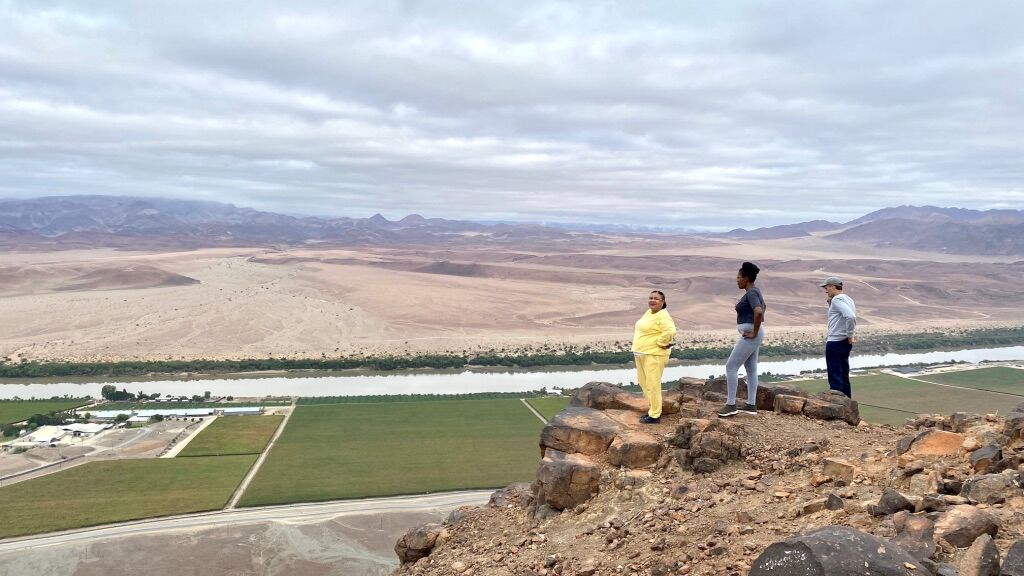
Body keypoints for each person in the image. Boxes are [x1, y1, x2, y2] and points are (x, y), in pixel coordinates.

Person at [719, 262, 766, 417]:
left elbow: (758, 311)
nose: (737, 280)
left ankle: (731, 405)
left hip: (752, 334)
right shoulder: (755, 292)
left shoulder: (751, 293)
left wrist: (754, 332)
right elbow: (763, 307)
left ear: (746, 278)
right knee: (751, 369)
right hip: (754, 333)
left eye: (739, 277)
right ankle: (751, 405)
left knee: (731, 367)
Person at [631, 290, 677, 424]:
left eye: (656, 298)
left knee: (653, 384)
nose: (652, 300)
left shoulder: (663, 315)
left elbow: (670, 331)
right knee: (644, 383)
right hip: (641, 352)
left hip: (653, 354)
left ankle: (655, 415)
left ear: (662, 302)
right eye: (650, 298)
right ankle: (652, 409)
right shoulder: (649, 312)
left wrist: (661, 343)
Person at [821, 276, 857, 397]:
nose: (826, 291)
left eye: (826, 288)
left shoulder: (837, 300)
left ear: (832, 286)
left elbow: (850, 317)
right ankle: (847, 403)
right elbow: (841, 317)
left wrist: (850, 335)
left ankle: (837, 406)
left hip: (835, 341)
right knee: (844, 375)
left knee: (834, 375)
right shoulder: (848, 299)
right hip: (844, 342)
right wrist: (849, 336)